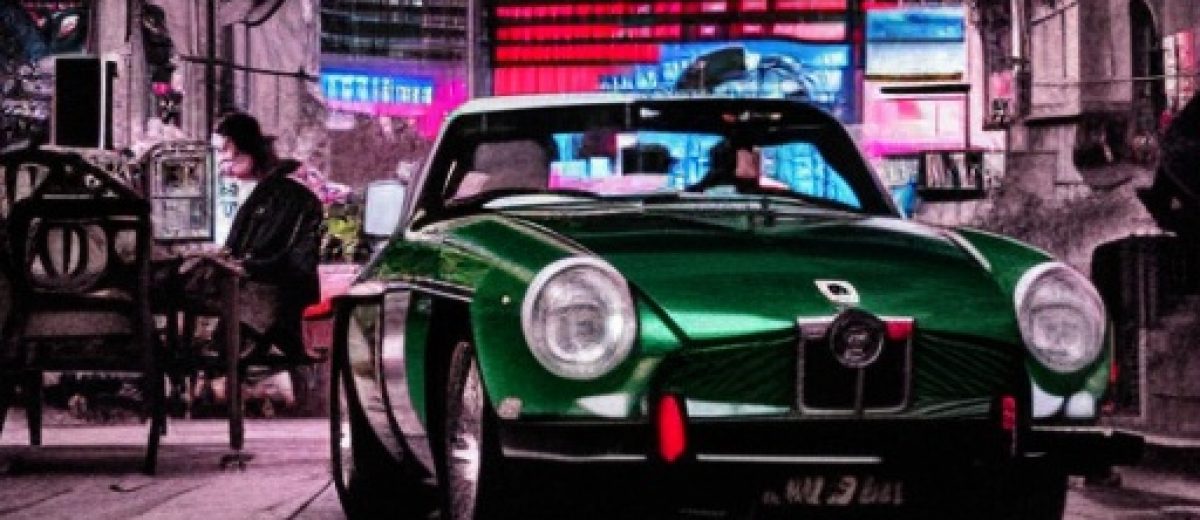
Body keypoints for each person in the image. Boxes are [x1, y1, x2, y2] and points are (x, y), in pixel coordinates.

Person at [200, 111, 324, 363]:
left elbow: (279, 256)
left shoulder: (285, 194)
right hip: (262, 283)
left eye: (224, 151)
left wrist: (242, 265)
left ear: (242, 149)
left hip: (277, 293)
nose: (221, 162)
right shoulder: (260, 190)